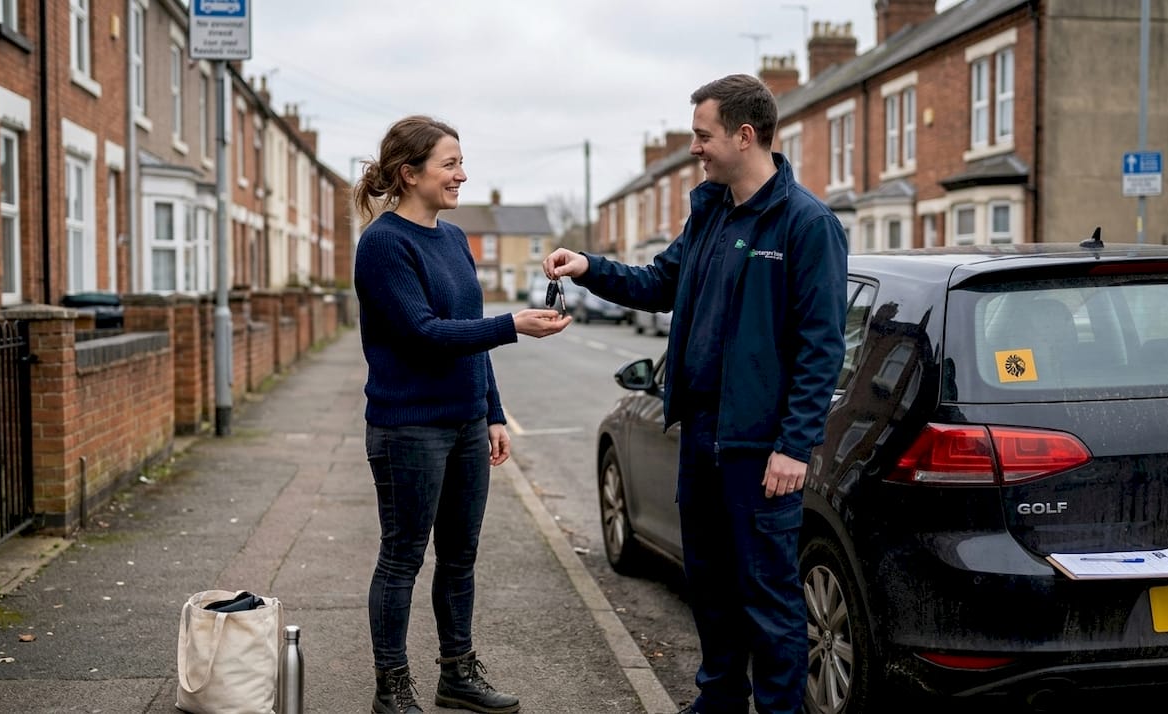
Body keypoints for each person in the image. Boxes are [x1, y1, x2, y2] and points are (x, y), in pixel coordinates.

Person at [543, 75, 847, 714]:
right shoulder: (710, 209)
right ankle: (718, 702)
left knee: (767, 594)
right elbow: (659, 282)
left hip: (760, 447)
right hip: (700, 431)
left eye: (703, 136)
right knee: (708, 583)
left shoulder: (806, 224)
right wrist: (589, 267)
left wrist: (794, 446)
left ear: (744, 134)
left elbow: (822, 347)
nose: (695, 150)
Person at [353, 115, 570, 714]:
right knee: (402, 556)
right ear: (409, 173)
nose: (462, 175)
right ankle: (391, 685)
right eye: (450, 164)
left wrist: (492, 411)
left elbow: (469, 337)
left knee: (460, 555)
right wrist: (513, 325)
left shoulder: (453, 239)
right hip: (408, 427)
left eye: (460, 162)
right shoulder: (382, 244)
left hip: (466, 424)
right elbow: (424, 333)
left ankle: (457, 672)